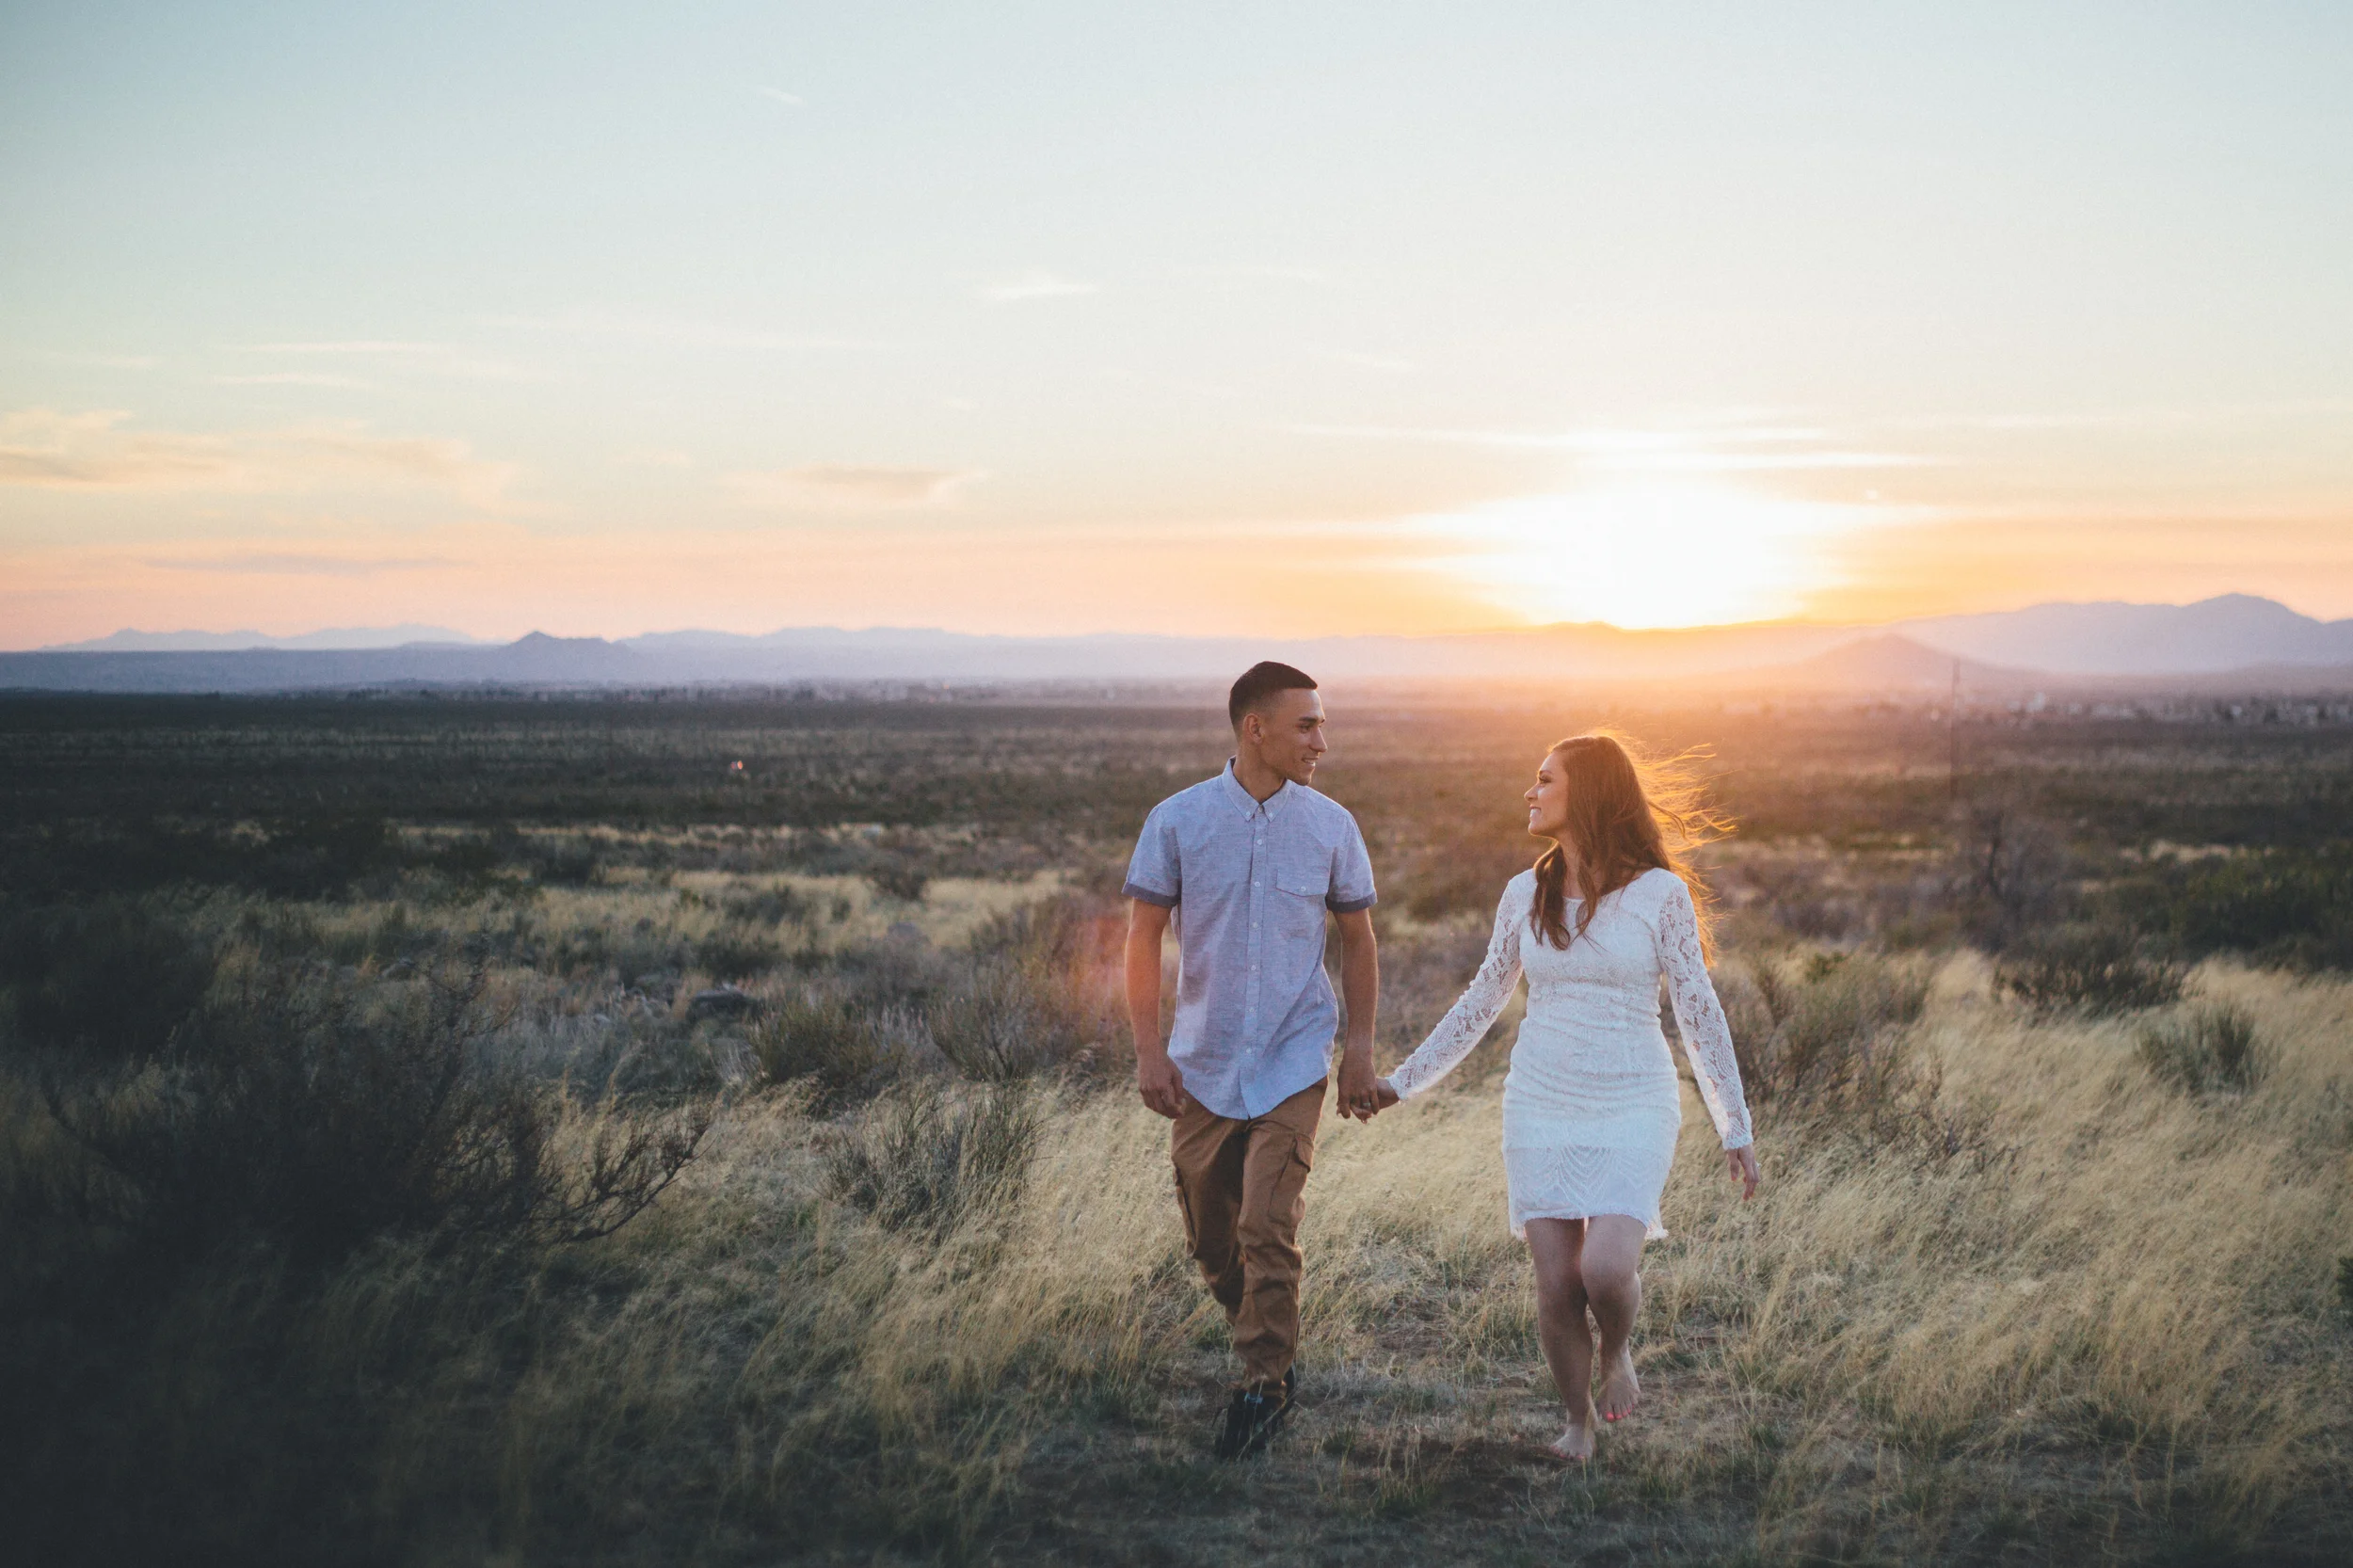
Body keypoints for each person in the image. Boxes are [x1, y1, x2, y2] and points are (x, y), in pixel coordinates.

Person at [1366, 731, 1760, 1462]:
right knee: (1555, 1286)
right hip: (1541, 1099)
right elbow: (1482, 1000)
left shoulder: (1659, 895)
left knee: (1604, 1269)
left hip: (1635, 1098)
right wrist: (1401, 1082)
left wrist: (1734, 1122)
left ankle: (1619, 1350)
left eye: (1545, 779)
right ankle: (1577, 1426)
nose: (1530, 791)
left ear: (1590, 794)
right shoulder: (1525, 892)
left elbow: (1699, 1009)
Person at [1123, 661, 1381, 1460]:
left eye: (1323, 724)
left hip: (1294, 1057)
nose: (1322, 742)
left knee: (1268, 1223)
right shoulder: (1177, 821)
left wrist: (1360, 1051)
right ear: (1254, 728)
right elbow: (1139, 941)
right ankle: (1265, 1338)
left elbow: (1358, 940)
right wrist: (1149, 1051)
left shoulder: (1332, 825)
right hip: (1201, 1061)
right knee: (1210, 1236)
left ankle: (1261, 1386)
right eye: (1307, 725)